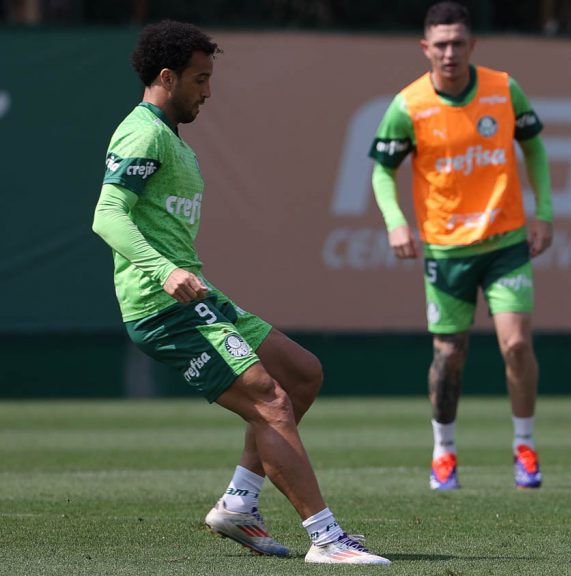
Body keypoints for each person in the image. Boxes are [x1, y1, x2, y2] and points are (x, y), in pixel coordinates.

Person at [91, 20, 389, 565]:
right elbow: (107, 214)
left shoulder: (169, 138)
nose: (208, 92)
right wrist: (162, 270)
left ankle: (238, 504)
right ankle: (326, 539)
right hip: (164, 308)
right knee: (271, 403)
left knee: (301, 374)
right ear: (167, 77)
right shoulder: (144, 133)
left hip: (198, 298)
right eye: (200, 80)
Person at [368, 1, 554, 491]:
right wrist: (395, 222)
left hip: (506, 241)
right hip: (447, 251)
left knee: (516, 344)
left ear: (472, 46)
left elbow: (533, 147)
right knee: (449, 355)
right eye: (440, 44)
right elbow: (382, 170)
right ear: (425, 47)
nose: (449, 52)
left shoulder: (502, 88)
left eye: (458, 43)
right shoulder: (408, 105)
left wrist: (545, 212)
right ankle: (444, 451)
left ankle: (525, 445)